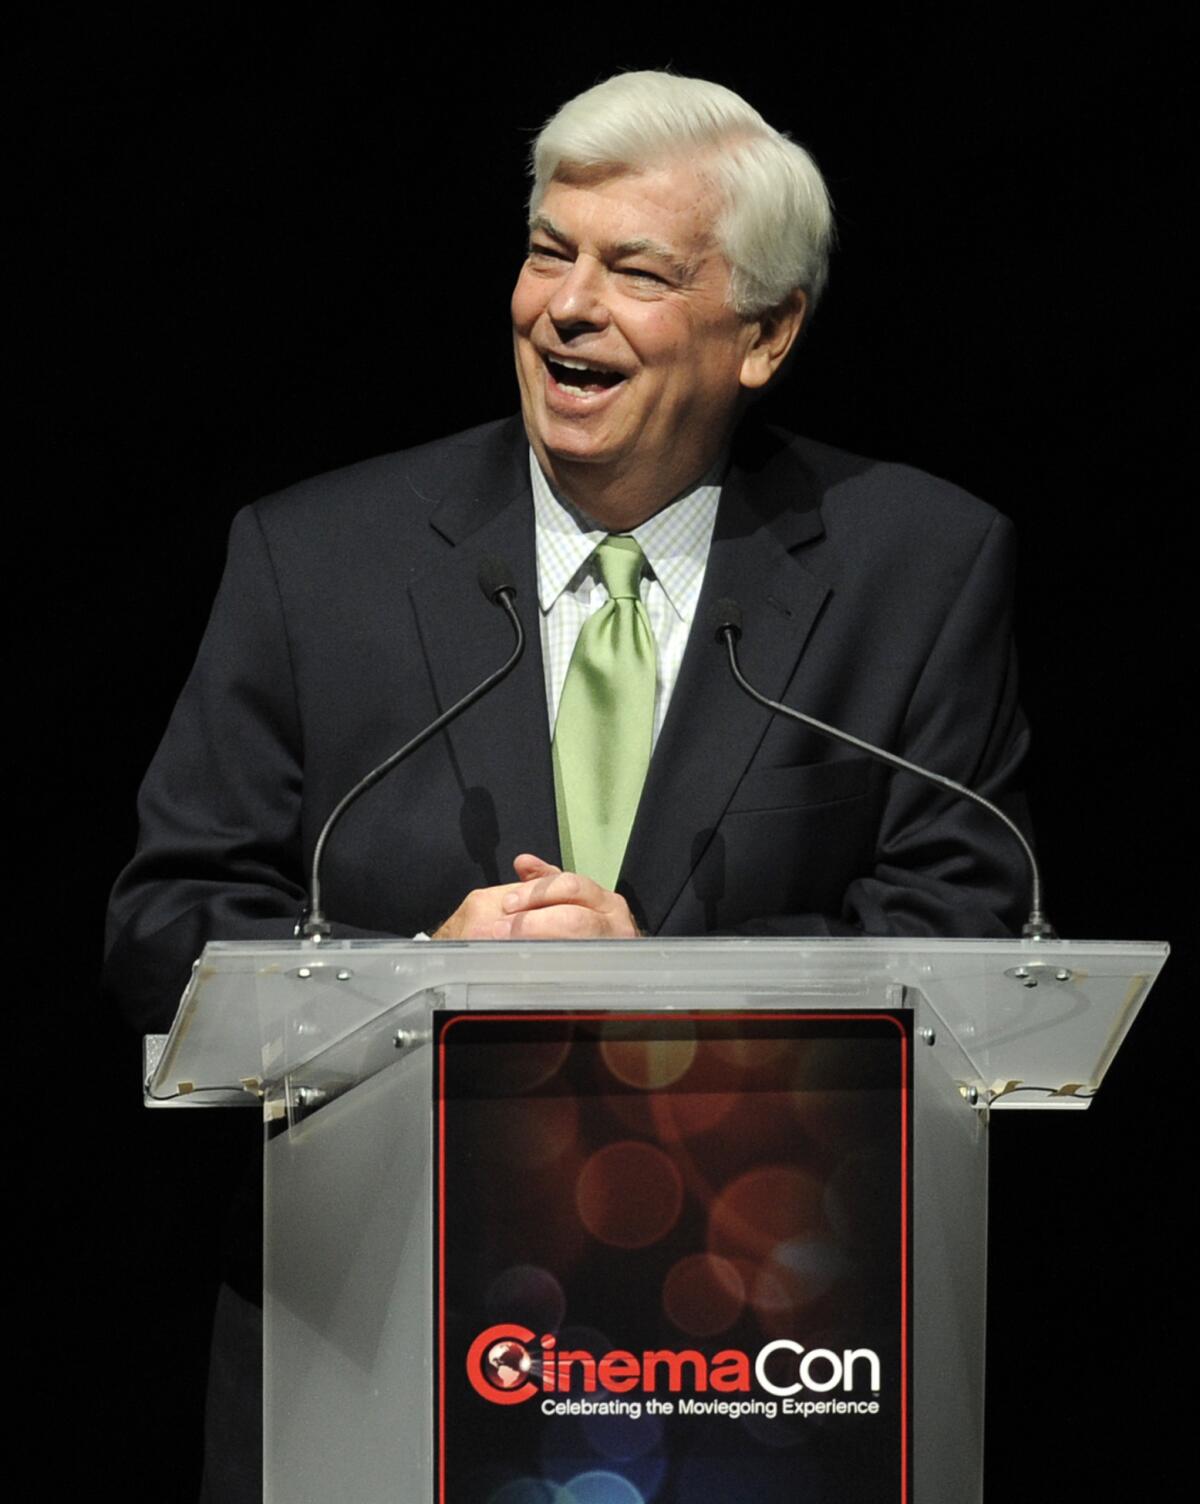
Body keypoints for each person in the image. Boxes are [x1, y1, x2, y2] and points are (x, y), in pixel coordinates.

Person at [105, 70, 1030, 1498]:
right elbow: (165, 927)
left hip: (767, 1362)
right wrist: (413, 980)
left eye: (637, 270)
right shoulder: (318, 561)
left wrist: (665, 984)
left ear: (767, 335)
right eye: (550, 251)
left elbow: (967, 932)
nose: (565, 306)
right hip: (381, 1348)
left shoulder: (915, 566)